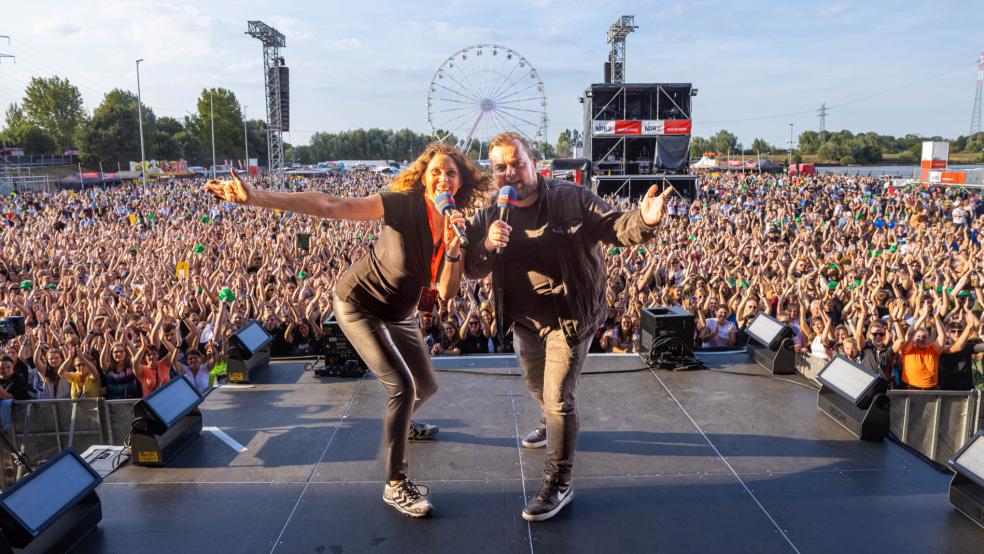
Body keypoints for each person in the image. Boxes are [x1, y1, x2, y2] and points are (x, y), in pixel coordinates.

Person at [206, 143, 491, 518]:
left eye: (451, 173)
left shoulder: (457, 224)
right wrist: (255, 197)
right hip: (358, 304)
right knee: (401, 387)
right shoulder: (401, 205)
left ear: (461, 181)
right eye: (436, 171)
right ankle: (395, 484)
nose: (443, 178)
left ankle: (401, 423)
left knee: (427, 385)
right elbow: (332, 205)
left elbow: (447, 292)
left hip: (400, 311)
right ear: (423, 176)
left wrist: (454, 252)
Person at [464, 132, 672, 522]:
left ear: (533, 161)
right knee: (536, 384)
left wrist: (645, 219)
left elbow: (615, 228)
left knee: (559, 397)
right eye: (500, 167)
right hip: (524, 320)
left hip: (571, 317)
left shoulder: (570, 198)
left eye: (516, 163)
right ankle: (549, 421)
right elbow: (472, 269)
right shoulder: (490, 214)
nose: (510, 172)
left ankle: (559, 482)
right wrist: (488, 246)